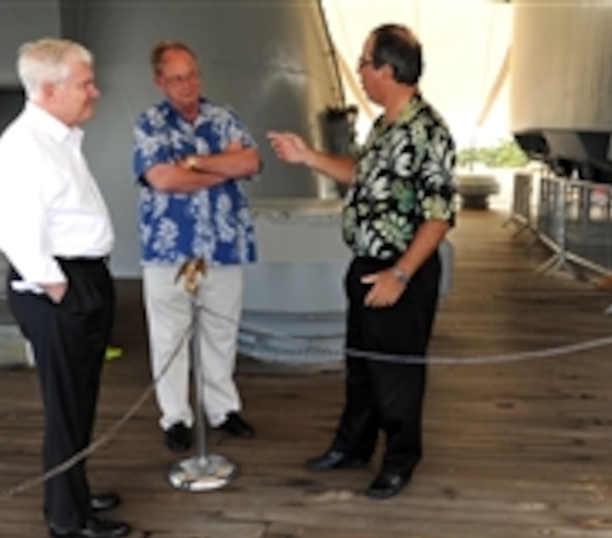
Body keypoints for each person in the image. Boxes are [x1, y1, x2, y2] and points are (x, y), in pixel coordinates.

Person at [268, 24, 456, 500]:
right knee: (362, 366)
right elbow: (361, 174)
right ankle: (352, 447)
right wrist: (307, 155)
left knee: (396, 373)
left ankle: (399, 459)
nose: (359, 72)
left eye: (364, 63)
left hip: (401, 270)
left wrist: (400, 274)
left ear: (387, 71)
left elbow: (439, 217)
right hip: (368, 264)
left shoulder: (428, 132)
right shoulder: (385, 126)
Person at [0, 38, 129, 538]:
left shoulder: (59, 139)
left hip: (79, 279)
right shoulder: (23, 148)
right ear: (49, 89)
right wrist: (62, 292)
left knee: (80, 399)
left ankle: (73, 492)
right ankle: (68, 517)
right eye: (85, 84)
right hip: (59, 287)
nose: (95, 92)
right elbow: (16, 238)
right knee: (67, 404)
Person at [133, 41, 261, 452]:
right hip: (169, 249)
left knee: (222, 330)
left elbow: (251, 163)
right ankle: (175, 417)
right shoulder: (149, 123)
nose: (186, 84)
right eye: (176, 78)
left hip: (222, 244)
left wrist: (194, 163)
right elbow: (162, 180)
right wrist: (221, 167)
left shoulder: (225, 118)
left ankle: (221, 409)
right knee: (169, 335)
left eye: (191, 74)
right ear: (159, 81)